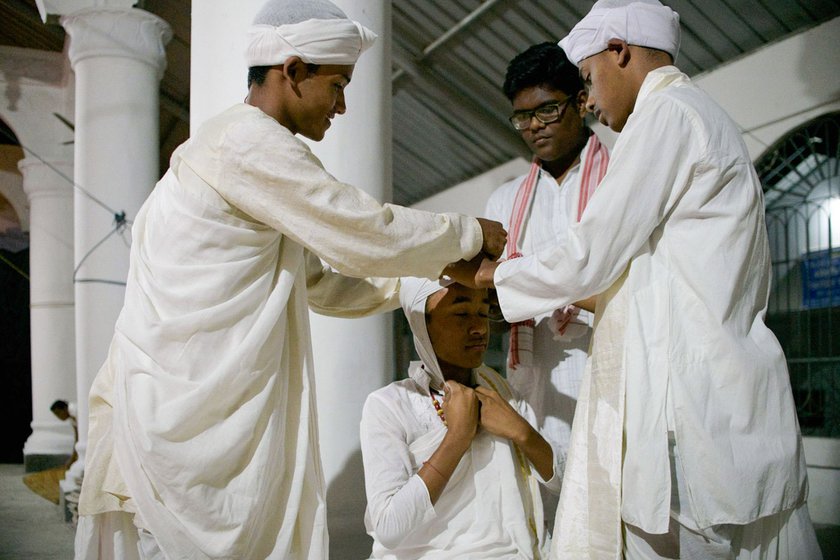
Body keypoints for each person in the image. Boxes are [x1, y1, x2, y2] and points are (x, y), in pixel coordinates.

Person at [74, 1, 506, 558]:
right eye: (338, 84)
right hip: (184, 410)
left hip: (187, 400)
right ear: (293, 71)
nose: (344, 105)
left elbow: (319, 282)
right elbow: (360, 226)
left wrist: (419, 283)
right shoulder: (246, 143)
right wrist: (468, 235)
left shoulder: (241, 155)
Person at [462, 0, 823, 558]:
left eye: (586, 81)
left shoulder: (668, 115)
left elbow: (593, 253)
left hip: (686, 393)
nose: (592, 101)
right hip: (663, 385)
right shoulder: (693, 113)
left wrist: (495, 275)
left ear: (619, 52)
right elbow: (637, 273)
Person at [483, 42, 609, 528]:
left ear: (580, 102)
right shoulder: (505, 200)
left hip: (608, 368)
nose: (534, 126)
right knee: (547, 517)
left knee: (613, 506)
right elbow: (494, 303)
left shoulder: (620, 179)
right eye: (522, 117)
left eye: (547, 110)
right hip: (536, 381)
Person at [360, 277, 561, 559]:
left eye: (483, 312)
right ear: (422, 324)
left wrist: (523, 433)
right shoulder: (389, 405)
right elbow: (389, 528)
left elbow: (565, 481)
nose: (479, 328)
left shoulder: (502, 395)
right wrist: (456, 438)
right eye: (461, 313)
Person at [50, 399, 78, 468]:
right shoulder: (71, 418)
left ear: (65, 408)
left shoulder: (73, 410)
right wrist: (73, 458)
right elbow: (77, 437)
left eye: (58, 413)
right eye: (56, 415)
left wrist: (73, 459)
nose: (58, 417)